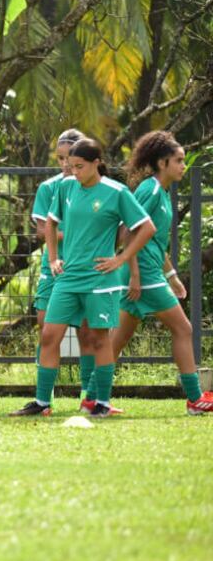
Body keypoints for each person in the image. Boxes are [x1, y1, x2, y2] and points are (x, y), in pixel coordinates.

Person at [12, 138, 155, 418]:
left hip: (101, 279)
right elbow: (50, 222)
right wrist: (53, 258)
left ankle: (101, 402)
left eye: (79, 166)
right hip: (67, 278)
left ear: (96, 163)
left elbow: (146, 228)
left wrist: (122, 259)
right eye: (69, 165)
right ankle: (42, 403)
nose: (72, 171)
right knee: (50, 335)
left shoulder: (117, 192)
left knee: (99, 339)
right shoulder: (65, 186)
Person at [111, 131, 213, 415]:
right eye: (178, 161)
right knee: (183, 329)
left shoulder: (162, 192)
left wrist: (172, 276)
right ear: (162, 162)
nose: (184, 165)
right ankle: (195, 399)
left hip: (148, 271)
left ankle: (94, 398)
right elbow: (129, 232)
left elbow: (155, 242)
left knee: (118, 340)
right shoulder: (150, 189)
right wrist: (134, 275)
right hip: (141, 272)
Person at [31, 130, 104, 409]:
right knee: (46, 326)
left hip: (86, 270)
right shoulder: (50, 188)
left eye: (70, 158)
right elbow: (42, 228)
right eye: (60, 158)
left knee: (87, 331)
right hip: (55, 268)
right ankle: (44, 396)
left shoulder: (101, 189)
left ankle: (88, 394)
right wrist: (72, 235)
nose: (64, 164)